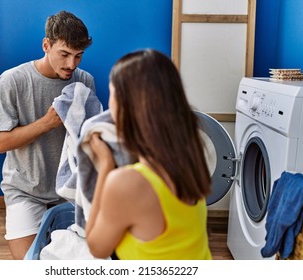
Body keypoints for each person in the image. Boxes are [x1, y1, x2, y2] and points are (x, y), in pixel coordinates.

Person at [85, 49, 212, 260]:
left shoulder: (127, 183)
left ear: (125, 106)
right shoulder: (191, 157)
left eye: (112, 94)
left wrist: (106, 164)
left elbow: (97, 248)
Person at [0, 11, 95, 260]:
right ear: (46, 45)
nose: (72, 64)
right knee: (31, 266)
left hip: (70, 192)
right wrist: (46, 123)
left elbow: (88, 140)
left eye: (78, 56)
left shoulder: (84, 81)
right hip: (25, 190)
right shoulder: (13, 80)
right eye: (64, 54)